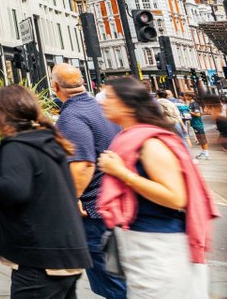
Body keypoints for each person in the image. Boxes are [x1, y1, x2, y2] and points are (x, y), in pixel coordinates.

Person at [96, 77, 219, 298]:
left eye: (110, 98)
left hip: (160, 248)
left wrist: (121, 172)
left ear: (128, 104)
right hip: (143, 243)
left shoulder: (151, 143)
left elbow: (175, 197)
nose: (103, 102)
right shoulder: (131, 138)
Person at [0, 85, 91, 298]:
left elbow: (14, 191)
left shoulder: (18, 147)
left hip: (40, 260)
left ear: (3, 114)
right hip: (67, 255)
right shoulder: (49, 142)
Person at [50, 64, 127, 299]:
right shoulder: (100, 109)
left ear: (55, 87)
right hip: (113, 201)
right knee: (117, 276)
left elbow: (83, 165)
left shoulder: (71, 117)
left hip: (94, 209)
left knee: (111, 281)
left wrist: (71, 199)